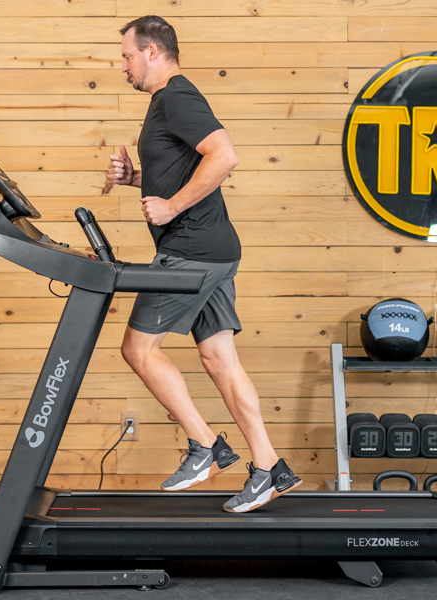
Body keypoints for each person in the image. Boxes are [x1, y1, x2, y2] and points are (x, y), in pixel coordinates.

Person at [107, 15, 301, 513]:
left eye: (127, 56)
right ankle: (269, 468)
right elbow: (184, 167)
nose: (123, 66)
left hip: (190, 248)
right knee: (219, 359)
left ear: (152, 51)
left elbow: (224, 155)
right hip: (214, 249)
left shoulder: (176, 96)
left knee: (138, 350)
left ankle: (205, 445)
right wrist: (135, 179)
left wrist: (171, 207)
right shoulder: (166, 102)